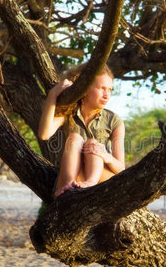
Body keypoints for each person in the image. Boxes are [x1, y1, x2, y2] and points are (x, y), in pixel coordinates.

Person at [38, 64, 125, 197]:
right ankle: (68, 188)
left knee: (93, 144)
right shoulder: (68, 113)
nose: (107, 95)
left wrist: (106, 156)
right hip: (72, 178)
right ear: (85, 87)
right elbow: (44, 134)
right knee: (75, 138)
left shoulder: (114, 121)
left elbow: (121, 169)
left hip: (100, 180)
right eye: (102, 88)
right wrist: (52, 96)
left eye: (110, 89)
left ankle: (90, 182)